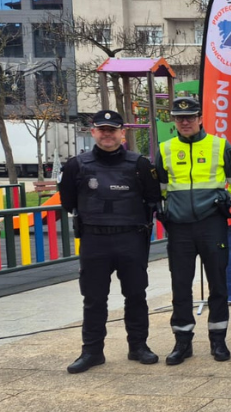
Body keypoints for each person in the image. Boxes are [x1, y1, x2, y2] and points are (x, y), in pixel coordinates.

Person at [61, 110, 161, 373]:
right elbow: (68, 202)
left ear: (122, 133)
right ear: (93, 132)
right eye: (102, 129)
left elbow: (152, 200)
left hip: (130, 239)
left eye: (112, 129)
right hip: (94, 240)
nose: (107, 134)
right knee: (94, 299)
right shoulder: (76, 165)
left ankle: (138, 346)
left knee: (136, 296)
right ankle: (92, 352)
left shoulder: (139, 164)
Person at [156, 97, 231, 365]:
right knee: (180, 286)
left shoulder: (220, 145)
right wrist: (165, 212)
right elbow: (159, 189)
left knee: (218, 284)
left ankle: (218, 341)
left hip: (211, 224)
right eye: (179, 118)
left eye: (190, 117)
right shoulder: (164, 148)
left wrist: (225, 201)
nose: (184, 122)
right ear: (173, 120)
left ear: (200, 118)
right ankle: (182, 343)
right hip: (179, 228)